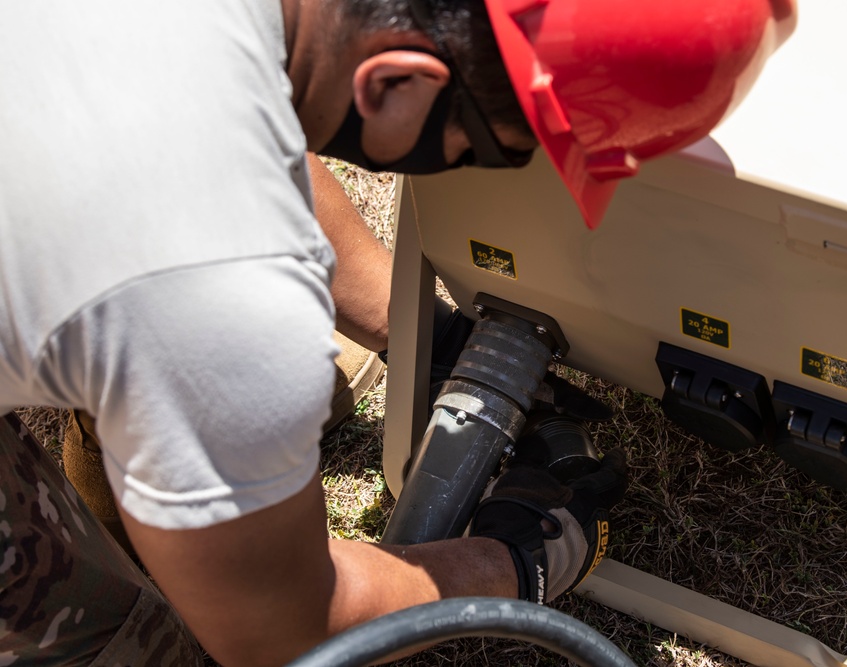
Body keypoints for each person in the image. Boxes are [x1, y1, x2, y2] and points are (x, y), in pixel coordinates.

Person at [0, 0, 794, 665]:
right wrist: (516, 559)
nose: (482, 168)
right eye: (492, 150)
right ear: (393, 85)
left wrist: (426, 336)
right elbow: (284, 628)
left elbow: (244, 112)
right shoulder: (215, 287)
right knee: (119, 639)